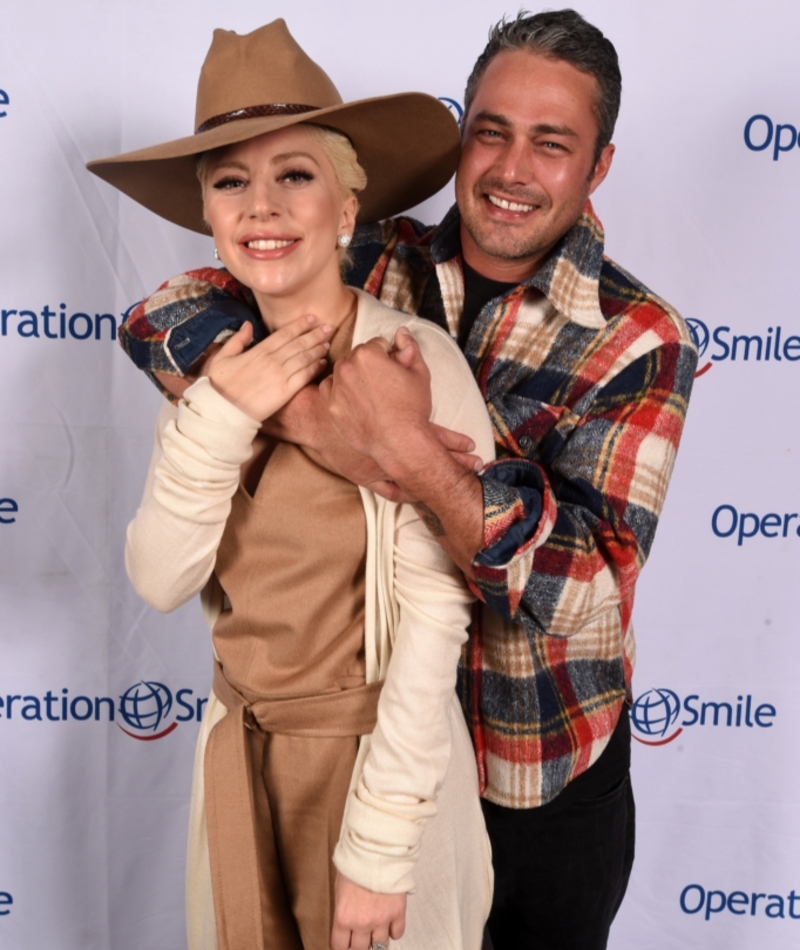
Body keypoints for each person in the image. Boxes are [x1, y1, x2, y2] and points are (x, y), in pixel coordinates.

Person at [111, 10, 699, 949]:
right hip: (347, 740)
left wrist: (416, 460)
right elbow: (162, 310)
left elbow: (586, 594)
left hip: (526, 762)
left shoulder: (638, 338)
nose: (511, 170)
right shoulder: (378, 257)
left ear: (598, 168)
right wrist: (316, 417)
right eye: (491, 132)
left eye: (552, 144)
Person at [88, 20, 495, 950]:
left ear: (347, 209)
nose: (260, 206)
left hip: (375, 778)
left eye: (293, 175)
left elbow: (438, 618)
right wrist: (228, 410)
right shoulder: (211, 374)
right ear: (209, 217)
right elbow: (159, 578)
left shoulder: (411, 358)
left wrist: (381, 849)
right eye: (231, 181)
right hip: (240, 769)